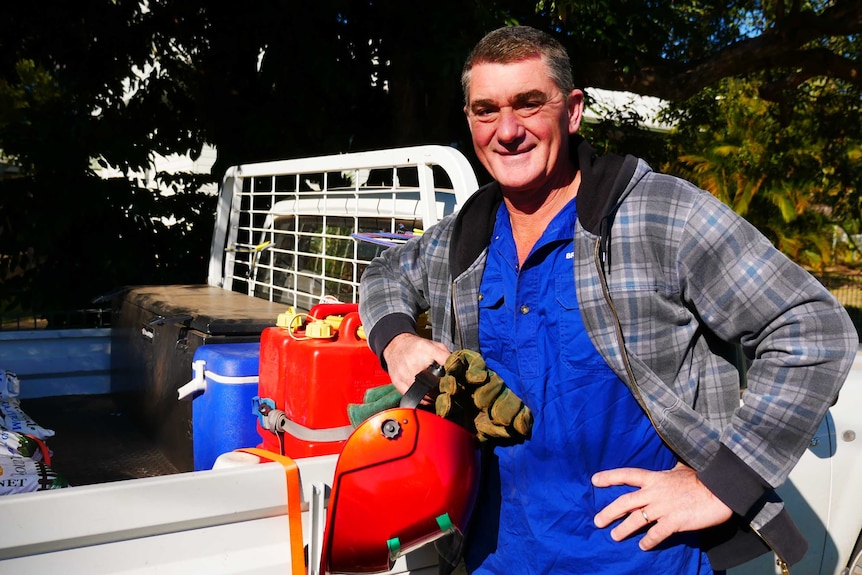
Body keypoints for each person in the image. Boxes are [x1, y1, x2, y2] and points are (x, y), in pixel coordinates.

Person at [358, 25, 857, 575]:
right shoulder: (464, 237)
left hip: (641, 560)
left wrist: (721, 483)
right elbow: (385, 272)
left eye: (529, 104)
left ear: (572, 112)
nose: (507, 131)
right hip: (491, 557)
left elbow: (813, 328)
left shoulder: (659, 215)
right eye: (485, 110)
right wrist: (398, 339)